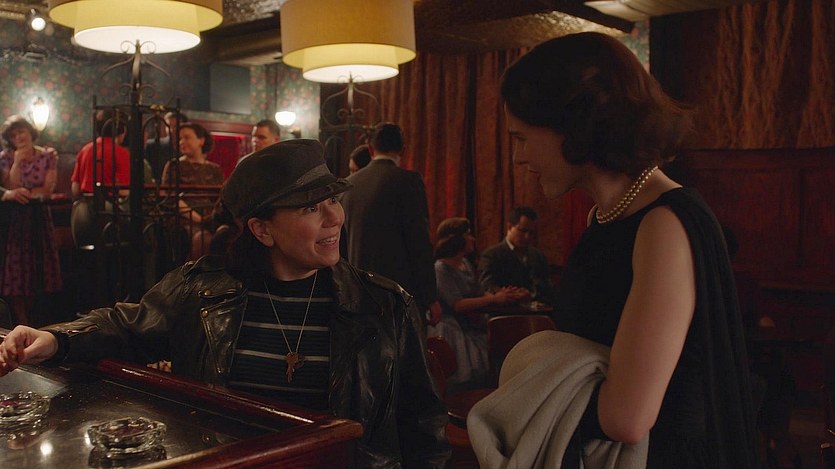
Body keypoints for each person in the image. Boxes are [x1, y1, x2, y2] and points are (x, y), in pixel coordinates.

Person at [0, 139, 451, 467]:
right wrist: (53, 338)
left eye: (333, 199)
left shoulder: (384, 305)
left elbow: (423, 427)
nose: (336, 217)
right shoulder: (203, 290)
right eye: (312, 208)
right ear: (262, 230)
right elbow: (126, 325)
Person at [492, 32, 757, 467]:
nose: (519, 157)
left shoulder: (663, 224)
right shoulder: (607, 215)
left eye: (522, 138)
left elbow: (626, 418)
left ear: (572, 125)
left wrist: (525, 383)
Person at [341, 123, 441, 325]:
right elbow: (418, 241)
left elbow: (341, 244)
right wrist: (430, 297)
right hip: (399, 292)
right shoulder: (408, 181)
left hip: (359, 291)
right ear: (403, 150)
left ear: (371, 150)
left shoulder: (348, 185)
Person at [429, 217, 525, 389]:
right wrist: (493, 299)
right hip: (452, 328)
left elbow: (479, 292)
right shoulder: (440, 269)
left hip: (471, 323)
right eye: (468, 234)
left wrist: (504, 295)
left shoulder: (465, 263)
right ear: (456, 239)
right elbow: (457, 304)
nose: (472, 239)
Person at [0, 115, 62, 326]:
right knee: (16, 271)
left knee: (39, 270)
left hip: (39, 217)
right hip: (15, 219)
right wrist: (17, 162)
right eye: (13, 135)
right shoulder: (6, 157)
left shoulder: (47, 155)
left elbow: (47, 189)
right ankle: (22, 321)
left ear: (30, 132)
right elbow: (10, 187)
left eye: (21, 132)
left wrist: (25, 193)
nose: (18, 137)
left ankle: (38, 321)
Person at [161, 122, 224, 260]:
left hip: (211, 218)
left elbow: (220, 197)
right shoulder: (174, 165)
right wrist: (198, 218)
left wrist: (210, 217)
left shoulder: (214, 169)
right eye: (180, 139)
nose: (181, 142)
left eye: (187, 137)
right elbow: (171, 198)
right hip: (184, 218)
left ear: (201, 140)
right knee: (202, 239)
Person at [478, 206, 556, 307]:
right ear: (509, 227)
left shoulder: (538, 255)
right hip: (503, 310)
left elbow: (547, 286)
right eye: (523, 231)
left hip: (536, 310)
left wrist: (531, 294)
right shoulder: (492, 254)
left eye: (531, 232)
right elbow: (486, 285)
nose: (527, 236)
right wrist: (512, 295)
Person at [71, 109, 132, 199]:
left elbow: (75, 189)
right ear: (122, 129)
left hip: (84, 204)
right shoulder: (121, 153)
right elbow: (124, 190)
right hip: (109, 205)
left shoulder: (85, 150)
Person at [144, 111, 187, 181]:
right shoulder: (153, 146)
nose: (171, 130)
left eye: (176, 126)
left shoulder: (190, 147)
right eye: (168, 126)